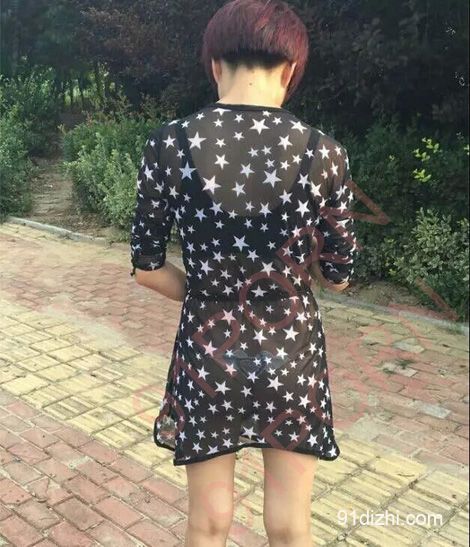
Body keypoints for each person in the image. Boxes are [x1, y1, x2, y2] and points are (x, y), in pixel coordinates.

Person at [130, 1, 358, 545]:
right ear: (290, 69)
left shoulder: (169, 145)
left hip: (208, 349)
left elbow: (146, 269)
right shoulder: (325, 153)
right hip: (292, 353)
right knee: (290, 525)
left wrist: (209, 294)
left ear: (215, 64)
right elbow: (339, 273)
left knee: (208, 522)